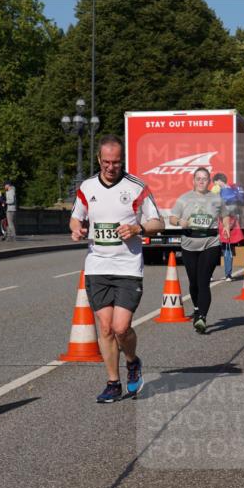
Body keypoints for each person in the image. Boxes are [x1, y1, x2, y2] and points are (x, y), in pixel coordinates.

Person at [69, 135, 164, 403]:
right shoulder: (87, 187)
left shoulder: (136, 187)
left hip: (128, 266)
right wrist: (77, 230)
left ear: (122, 161)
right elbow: (75, 218)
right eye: (107, 162)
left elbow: (159, 223)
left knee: (122, 328)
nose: (111, 167)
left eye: (117, 162)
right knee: (106, 328)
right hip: (97, 265)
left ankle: (132, 361)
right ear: (99, 159)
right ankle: (113, 382)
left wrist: (138, 228)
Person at [170, 168, 226, 333]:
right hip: (189, 244)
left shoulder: (216, 199)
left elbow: (226, 215)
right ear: (193, 181)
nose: (201, 182)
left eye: (205, 179)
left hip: (211, 242)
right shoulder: (184, 199)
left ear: (209, 182)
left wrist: (227, 227)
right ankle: (196, 308)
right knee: (194, 282)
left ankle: (202, 316)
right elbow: (172, 218)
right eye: (198, 179)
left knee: (203, 281)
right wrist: (180, 222)